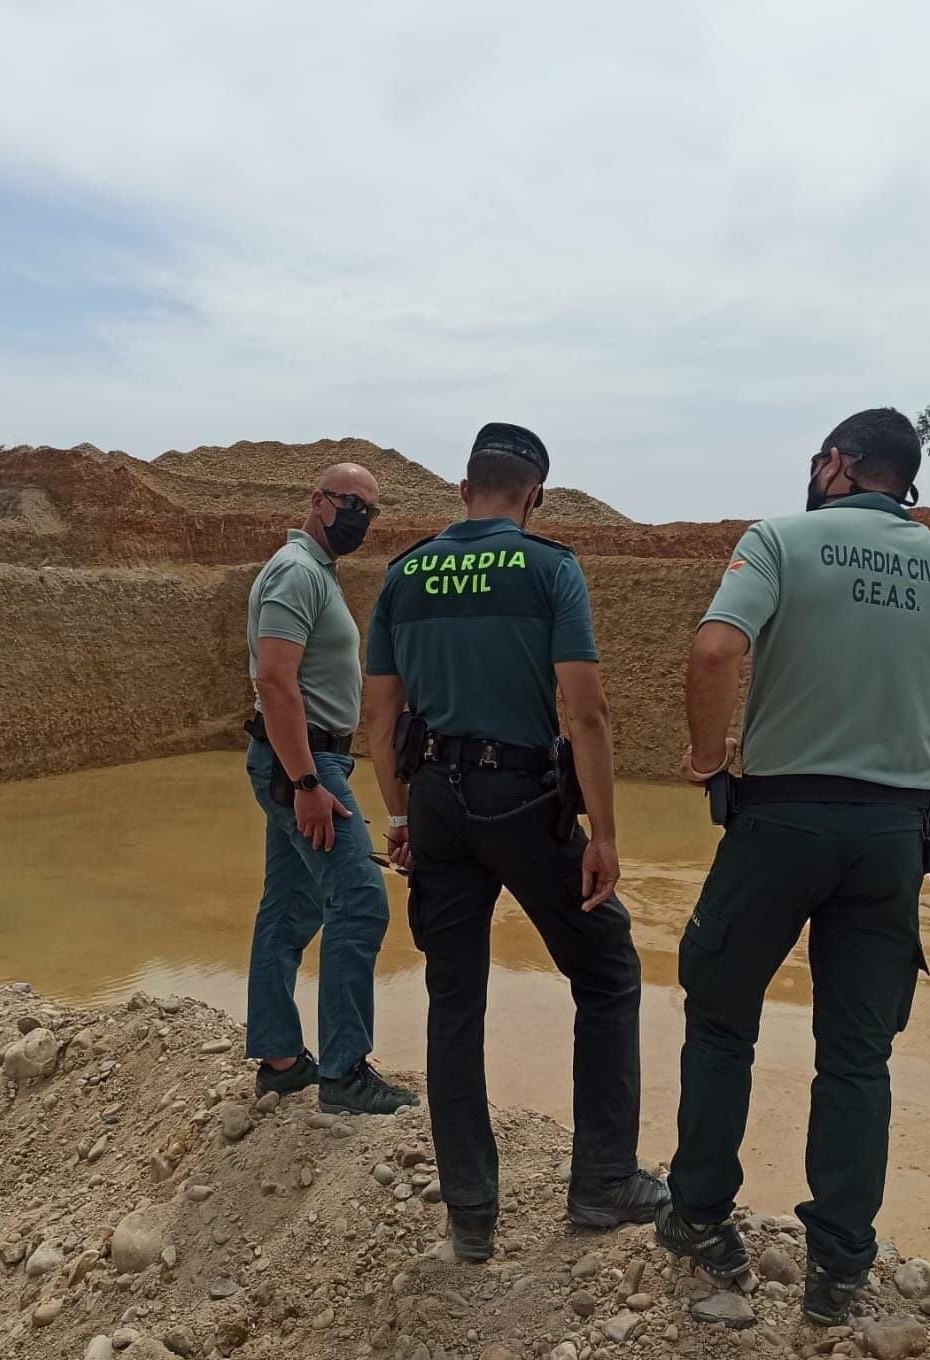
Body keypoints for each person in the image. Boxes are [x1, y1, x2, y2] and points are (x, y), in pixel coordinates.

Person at [658, 407, 930, 1326]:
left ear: (840, 464)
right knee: (857, 1053)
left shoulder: (778, 540)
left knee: (721, 1016)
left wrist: (703, 755)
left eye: (820, 458)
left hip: (782, 819)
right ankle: (839, 1267)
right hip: (893, 834)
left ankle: (696, 1215)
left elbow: (718, 645)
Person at [364, 423, 661, 1263]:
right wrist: (604, 832)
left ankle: (470, 1214)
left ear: (464, 490)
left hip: (433, 803)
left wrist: (398, 818)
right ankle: (602, 1182)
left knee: (455, 999)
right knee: (605, 964)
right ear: (535, 496)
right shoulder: (550, 567)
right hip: (520, 798)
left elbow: (379, 719)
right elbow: (588, 711)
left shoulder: (404, 573)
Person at [243, 463, 414, 1116]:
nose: (360, 518)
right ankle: (344, 1072)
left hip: (303, 760)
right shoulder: (295, 572)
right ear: (317, 501)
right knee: (361, 900)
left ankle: (281, 1060)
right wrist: (308, 781)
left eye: (371, 509)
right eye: (351, 503)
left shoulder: (313, 573)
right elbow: (275, 683)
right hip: (304, 764)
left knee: (288, 908)